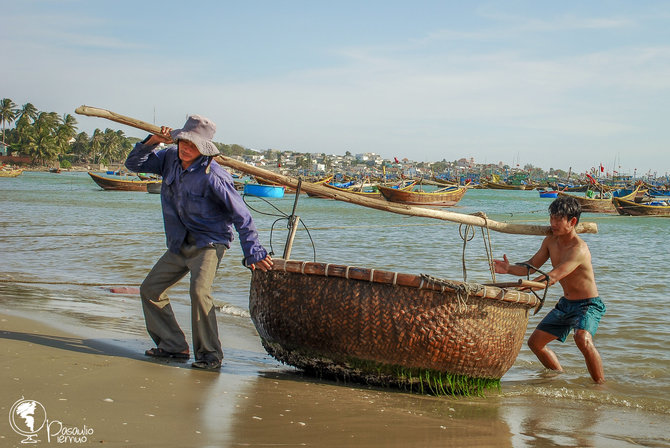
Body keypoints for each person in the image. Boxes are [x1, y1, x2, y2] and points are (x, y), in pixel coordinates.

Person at [125, 115, 273, 370]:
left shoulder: (214, 175)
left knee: (199, 292)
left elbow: (242, 216)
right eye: (183, 141)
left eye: (192, 145)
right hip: (179, 241)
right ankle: (172, 345)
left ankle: (209, 355)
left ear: (203, 149)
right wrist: (153, 142)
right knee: (150, 289)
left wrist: (254, 252)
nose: (185, 148)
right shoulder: (169, 158)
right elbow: (134, 164)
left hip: (209, 242)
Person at [493, 196, 606, 384]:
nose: (552, 224)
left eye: (558, 219)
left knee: (582, 338)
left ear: (573, 222)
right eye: (551, 218)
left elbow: (552, 277)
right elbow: (531, 265)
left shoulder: (579, 249)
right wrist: (509, 269)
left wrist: (524, 288)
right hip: (566, 304)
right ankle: (558, 376)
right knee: (535, 343)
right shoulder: (550, 241)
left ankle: (600, 386)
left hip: (588, 305)